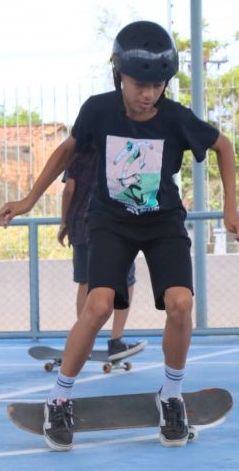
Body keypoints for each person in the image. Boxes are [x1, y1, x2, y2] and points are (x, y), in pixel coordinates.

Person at [0, 20, 239, 451]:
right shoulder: (98, 110)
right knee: (96, 305)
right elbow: (66, 151)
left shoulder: (175, 118)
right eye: (139, 84)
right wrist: (28, 200)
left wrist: (231, 208)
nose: (148, 93)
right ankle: (59, 399)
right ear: (119, 75)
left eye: (158, 84)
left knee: (181, 303)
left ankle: (171, 396)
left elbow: (224, 147)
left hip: (162, 223)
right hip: (110, 222)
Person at [58, 150, 146, 360]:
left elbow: (70, 189)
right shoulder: (118, 149)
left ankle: (84, 342)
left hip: (82, 223)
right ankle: (116, 340)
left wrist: (64, 222)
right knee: (126, 279)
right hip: (114, 225)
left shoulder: (77, 153)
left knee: (86, 282)